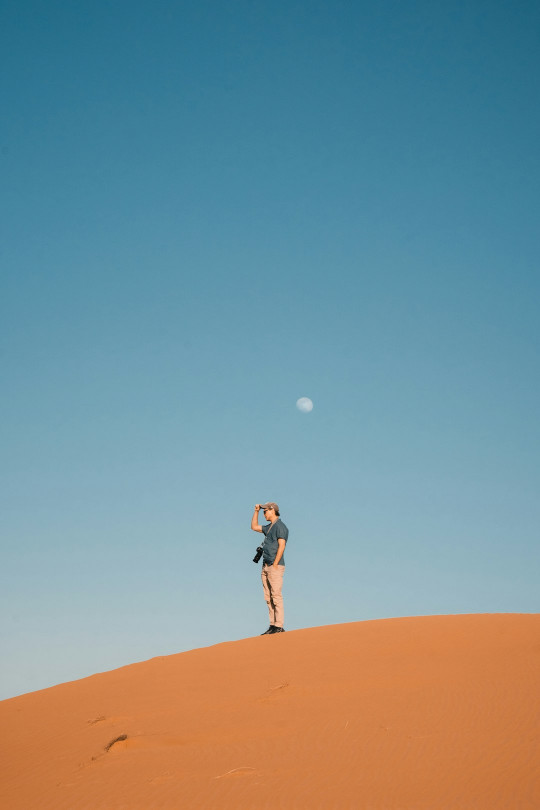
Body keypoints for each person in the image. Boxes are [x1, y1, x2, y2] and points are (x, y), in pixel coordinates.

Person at [251, 502, 289, 635]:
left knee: (276, 595)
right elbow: (254, 527)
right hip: (265, 565)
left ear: (272, 510)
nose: (264, 514)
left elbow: (282, 546)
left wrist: (275, 563)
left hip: (275, 566)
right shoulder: (269, 527)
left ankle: (279, 625)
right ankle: (272, 624)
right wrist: (256, 511)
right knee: (268, 597)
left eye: (265, 511)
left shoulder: (280, 527)